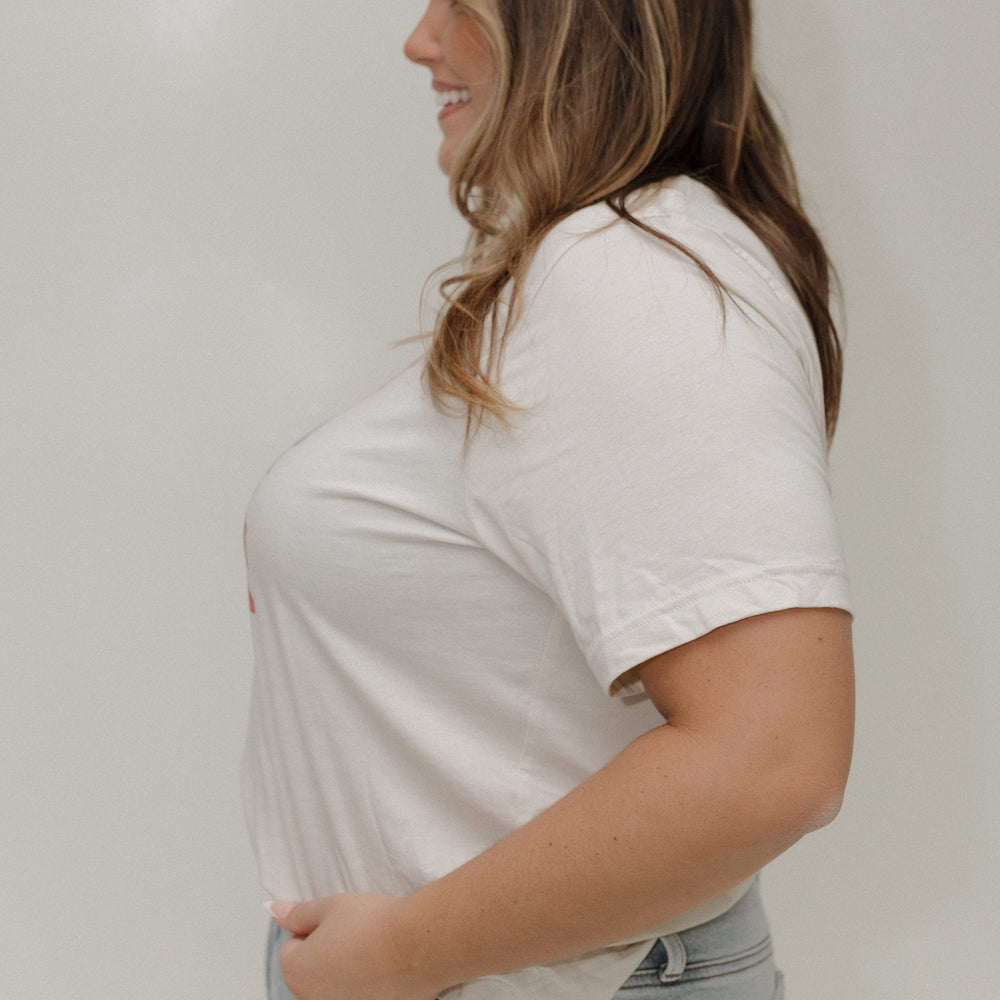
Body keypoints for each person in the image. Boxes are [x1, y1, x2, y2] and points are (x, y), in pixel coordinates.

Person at [242, 2, 855, 998]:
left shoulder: (637, 278)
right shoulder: (617, 263)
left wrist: (394, 959)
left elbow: (769, 763)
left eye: (459, 2)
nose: (420, 40)